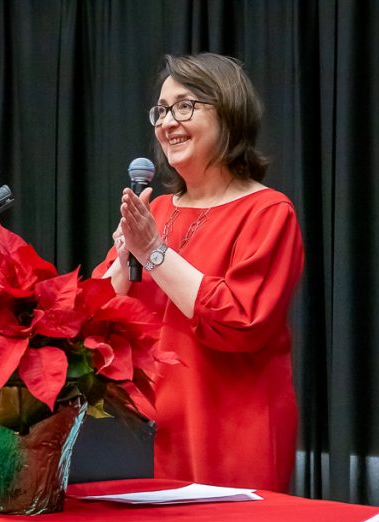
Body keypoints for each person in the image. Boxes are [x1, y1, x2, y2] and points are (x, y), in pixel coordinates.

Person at [94, 53, 304, 493]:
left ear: (228, 111)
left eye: (185, 106)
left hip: (228, 437)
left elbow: (240, 320)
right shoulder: (154, 209)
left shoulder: (267, 211)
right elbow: (95, 317)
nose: (169, 121)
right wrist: (122, 261)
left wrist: (154, 252)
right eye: (162, 110)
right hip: (144, 438)